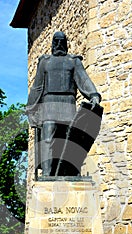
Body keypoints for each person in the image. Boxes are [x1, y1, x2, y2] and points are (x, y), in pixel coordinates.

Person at [26, 31, 101, 177]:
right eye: (56, 41)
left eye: (61, 41)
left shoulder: (73, 61)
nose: (59, 44)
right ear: (53, 44)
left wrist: (93, 94)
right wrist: (31, 107)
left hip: (68, 104)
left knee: (70, 140)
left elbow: (83, 79)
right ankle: (47, 176)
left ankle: (71, 172)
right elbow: (37, 86)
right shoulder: (45, 62)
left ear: (65, 43)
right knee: (48, 139)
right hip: (50, 105)